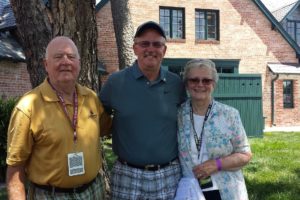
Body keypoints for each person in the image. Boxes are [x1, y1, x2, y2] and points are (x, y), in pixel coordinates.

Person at [6, 36, 111, 200]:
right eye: (58, 57)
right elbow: (15, 167)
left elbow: (106, 128)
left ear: (79, 63)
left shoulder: (91, 98)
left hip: (94, 191)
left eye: (71, 57)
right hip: (50, 195)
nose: (65, 62)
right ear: (46, 65)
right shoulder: (28, 107)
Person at [100, 21, 186, 200]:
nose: (151, 49)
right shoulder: (116, 82)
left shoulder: (176, 83)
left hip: (168, 173)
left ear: (164, 50)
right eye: (144, 44)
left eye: (157, 44)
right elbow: (98, 118)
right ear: (135, 48)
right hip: (127, 173)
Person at [176, 59, 252, 200]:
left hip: (227, 191)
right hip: (189, 191)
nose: (200, 85)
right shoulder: (178, 115)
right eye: (194, 80)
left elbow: (245, 154)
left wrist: (217, 164)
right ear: (186, 84)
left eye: (206, 80)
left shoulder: (229, 114)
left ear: (214, 84)